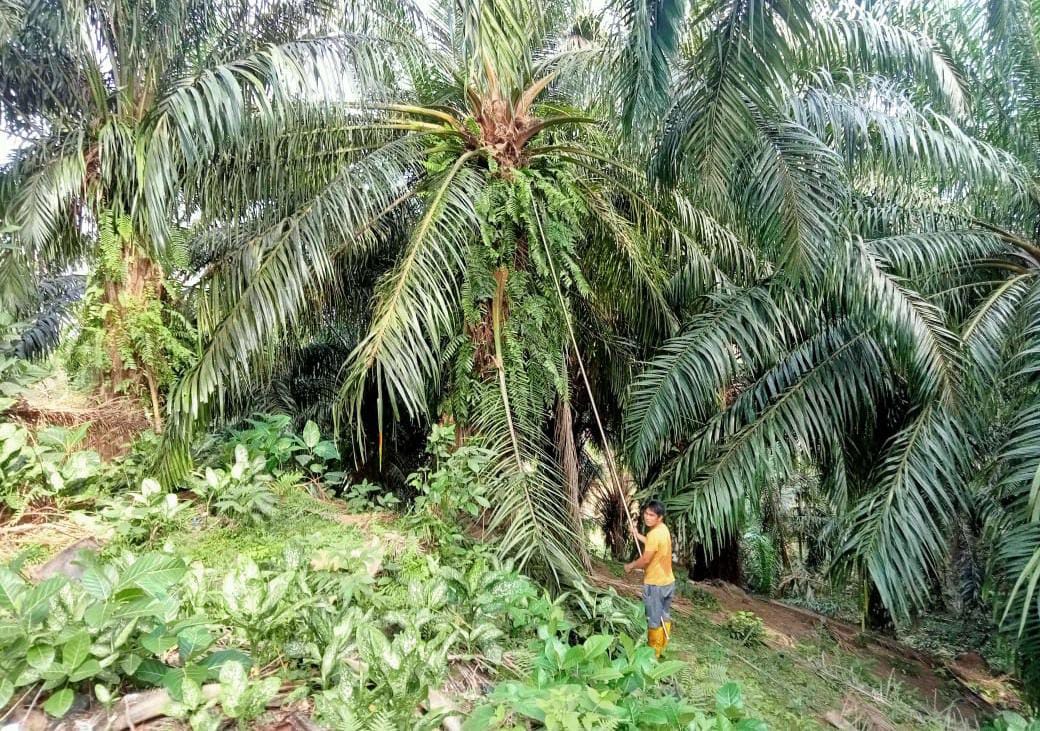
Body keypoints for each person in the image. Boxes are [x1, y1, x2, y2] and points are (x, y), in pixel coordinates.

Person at [624, 500, 675, 658]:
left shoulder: (654, 534)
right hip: (668, 582)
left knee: (654, 619)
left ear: (659, 517)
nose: (647, 517)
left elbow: (645, 560)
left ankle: (653, 655)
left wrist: (631, 565)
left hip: (655, 584)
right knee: (664, 615)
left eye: (651, 515)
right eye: (646, 513)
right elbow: (654, 545)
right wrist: (638, 535)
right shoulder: (663, 530)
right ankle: (663, 646)